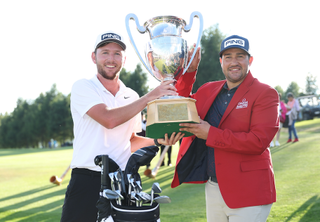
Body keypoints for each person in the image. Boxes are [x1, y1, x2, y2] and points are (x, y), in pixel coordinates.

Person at [60, 30, 185, 222]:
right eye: (105, 52)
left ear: (124, 60)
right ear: (94, 57)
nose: (111, 58)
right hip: (87, 180)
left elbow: (131, 140)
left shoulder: (132, 96)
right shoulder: (83, 87)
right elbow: (108, 119)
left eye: (117, 53)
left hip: (123, 182)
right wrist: (151, 96)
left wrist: (158, 140)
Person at [171, 35, 279, 222]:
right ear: (221, 62)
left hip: (249, 191)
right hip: (213, 188)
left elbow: (258, 142)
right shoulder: (208, 89)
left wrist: (210, 134)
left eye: (240, 56)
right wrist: (190, 71)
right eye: (228, 57)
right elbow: (180, 104)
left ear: (249, 60)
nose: (234, 62)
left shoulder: (265, 93)